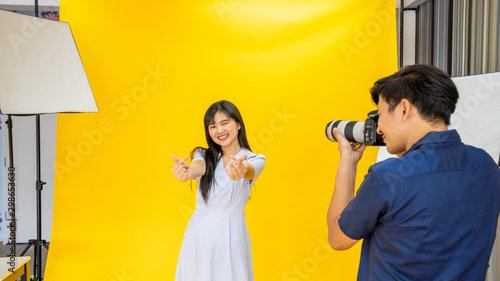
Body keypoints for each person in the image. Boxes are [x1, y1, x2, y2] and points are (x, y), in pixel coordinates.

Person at [327, 64, 500, 280]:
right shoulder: (487, 167)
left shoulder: (387, 178)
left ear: (404, 109)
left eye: (379, 115)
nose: (378, 129)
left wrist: (347, 162)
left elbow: (338, 238)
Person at [172, 100, 266, 281]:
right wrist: (189, 170)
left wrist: (241, 170)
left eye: (225, 123)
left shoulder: (256, 159)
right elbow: (198, 166)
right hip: (198, 234)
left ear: (238, 124)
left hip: (231, 235)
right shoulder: (204, 155)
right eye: (212, 126)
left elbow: (249, 170)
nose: (219, 131)